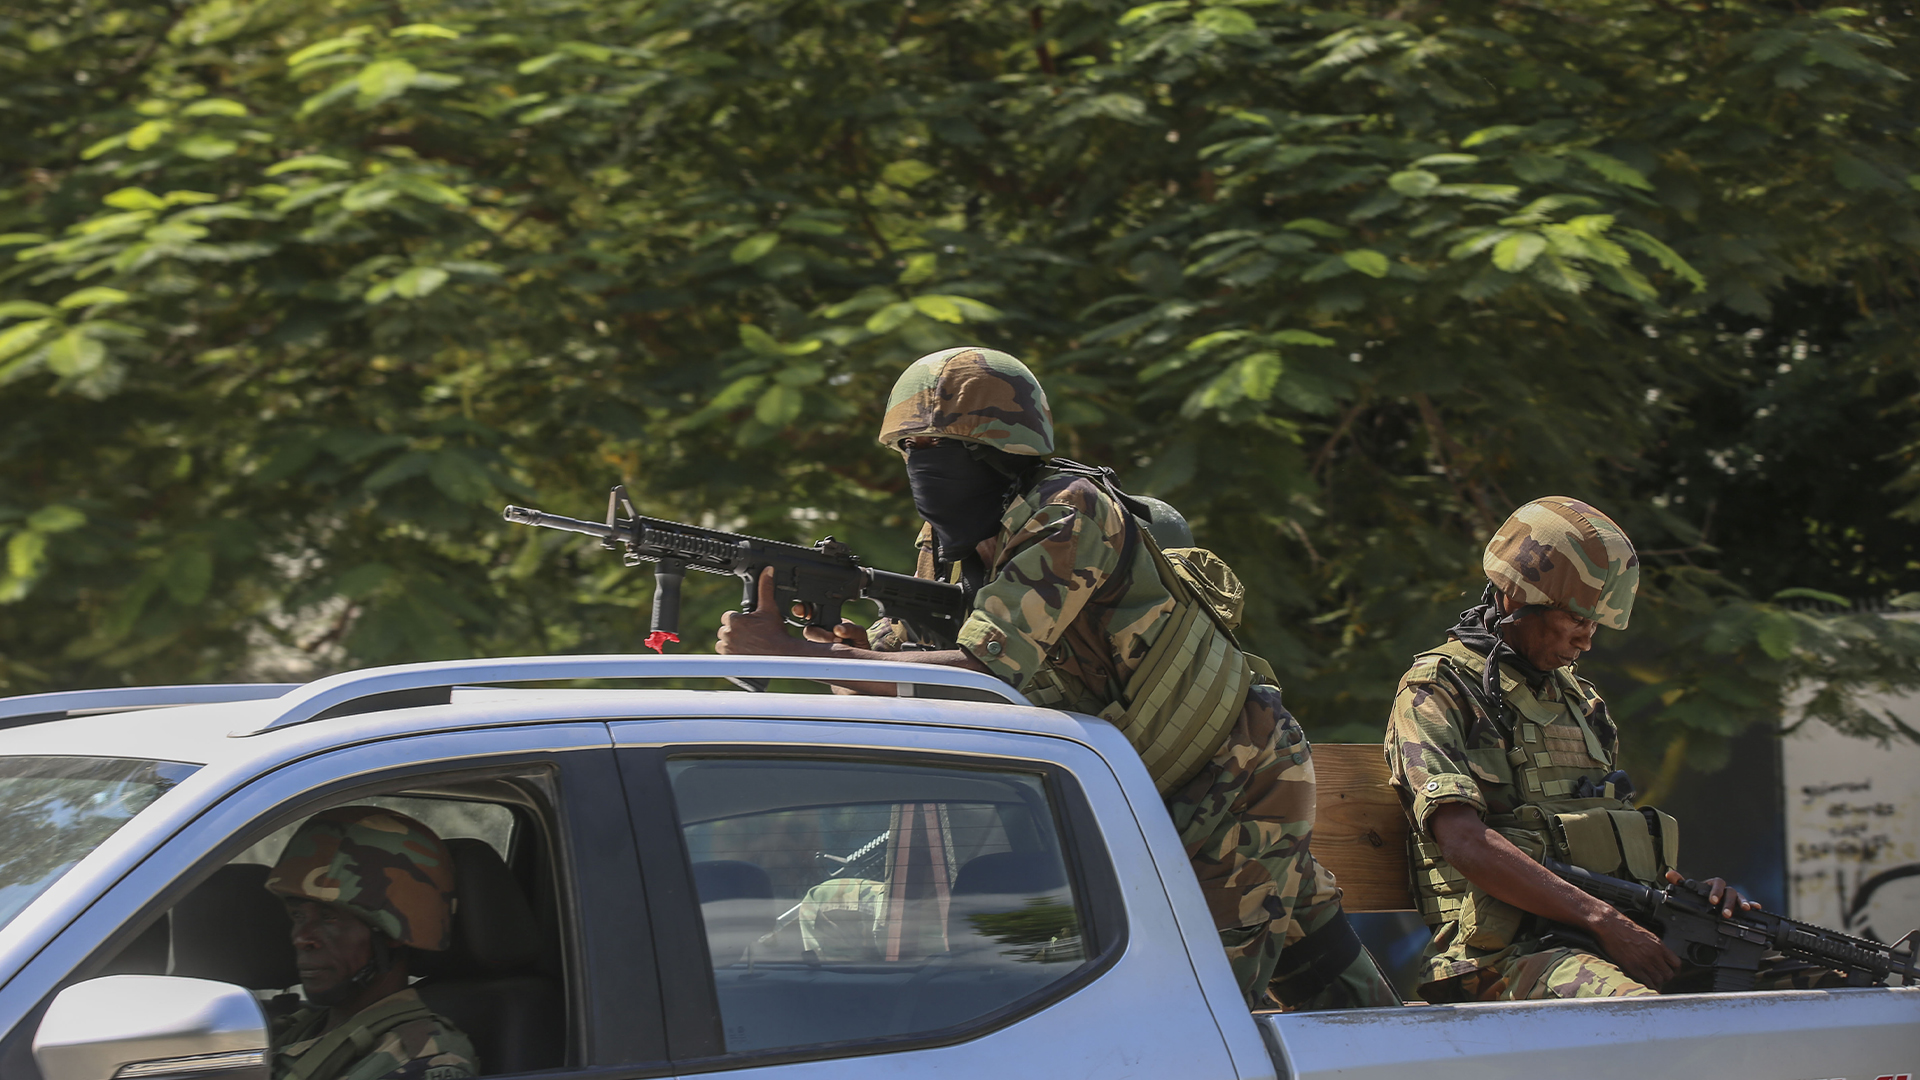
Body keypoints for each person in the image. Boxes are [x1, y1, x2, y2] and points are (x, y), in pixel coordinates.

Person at [716, 345, 1397, 1011]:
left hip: (1227, 771)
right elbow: (904, 681)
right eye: (909, 452)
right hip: (1144, 774)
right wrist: (849, 654)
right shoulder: (948, 542)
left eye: (938, 450)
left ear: (997, 452)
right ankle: (1423, 1055)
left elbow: (985, 673)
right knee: (1320, 960)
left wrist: (793, 658)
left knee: (1197, 1005)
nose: (920, 468)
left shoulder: (1069, 509)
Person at [1385, 496, 1835, 1002]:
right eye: (1577, 619)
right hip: (1502, 958)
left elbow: (1599, 841)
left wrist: (1691, 902)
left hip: (1600, 941)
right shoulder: (1438, 689)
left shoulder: (1581, 702)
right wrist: (1605, 921)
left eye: (1595, 624)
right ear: (1516, 596)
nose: (1586, 641)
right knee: (1637, 1014)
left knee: (1824, 989)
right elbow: (1463, 841)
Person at [264, 805, 477, 1080]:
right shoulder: (297, 1028)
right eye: (298, 915)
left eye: (329, 919)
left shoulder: (426, 1056)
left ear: (390, 934)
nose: (301, 937)